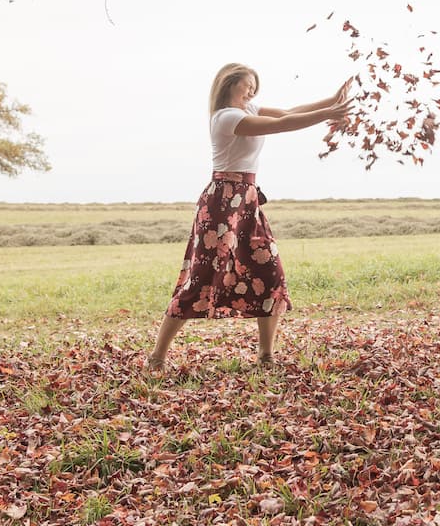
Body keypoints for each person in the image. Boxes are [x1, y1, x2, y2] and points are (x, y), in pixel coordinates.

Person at [146, 63, 351, 372]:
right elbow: (283, 125)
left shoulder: (248, 108)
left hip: (248, 201)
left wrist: (329, 101)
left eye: (255, 87)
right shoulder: (228, 117)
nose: (252, 92)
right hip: (221, 204)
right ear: (229, 86)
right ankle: (157, 356)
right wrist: (328, 114)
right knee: (200, 281)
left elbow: (286, 112)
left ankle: (266, 355)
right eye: (247, 86)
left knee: (270, 273)